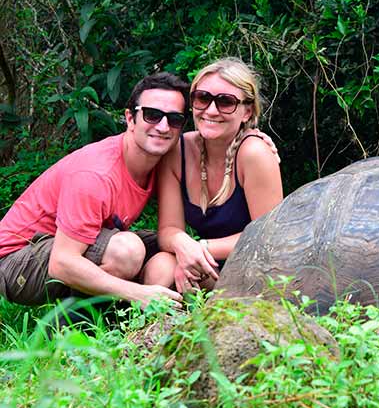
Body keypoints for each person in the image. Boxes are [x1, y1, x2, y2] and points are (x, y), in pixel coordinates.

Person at [0, 73, 188, 308]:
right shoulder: (96, 173)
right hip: (18, 260)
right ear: (130, 118)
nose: (163, 127)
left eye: (174, 119)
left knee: (169, 249)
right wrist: (138, 292)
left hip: (76, 243)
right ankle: (71, 324)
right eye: (152, 115)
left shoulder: (162, 160)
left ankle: (136, 320)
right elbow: (62, 263)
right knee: (126, 251)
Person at [142, 58, 283, 293]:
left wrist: (200, 248)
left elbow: (267, 236)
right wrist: (183, 245)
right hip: (207, 262)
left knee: (181, 265)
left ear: (247, 111)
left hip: (253, 266)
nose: (211, 110)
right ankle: (162, 326)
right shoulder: (178, 151)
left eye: (226, 102)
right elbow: (168, 229)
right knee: (162, 265)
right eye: (203, 98)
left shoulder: (254, 153)